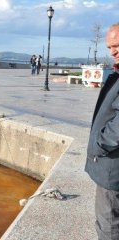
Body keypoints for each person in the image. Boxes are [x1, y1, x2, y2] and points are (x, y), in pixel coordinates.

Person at [85, 23, 119, 240]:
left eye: (117, 45)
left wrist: (98, 143)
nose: (112, 52)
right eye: (109, 47)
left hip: (113, 168)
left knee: (109, 225)